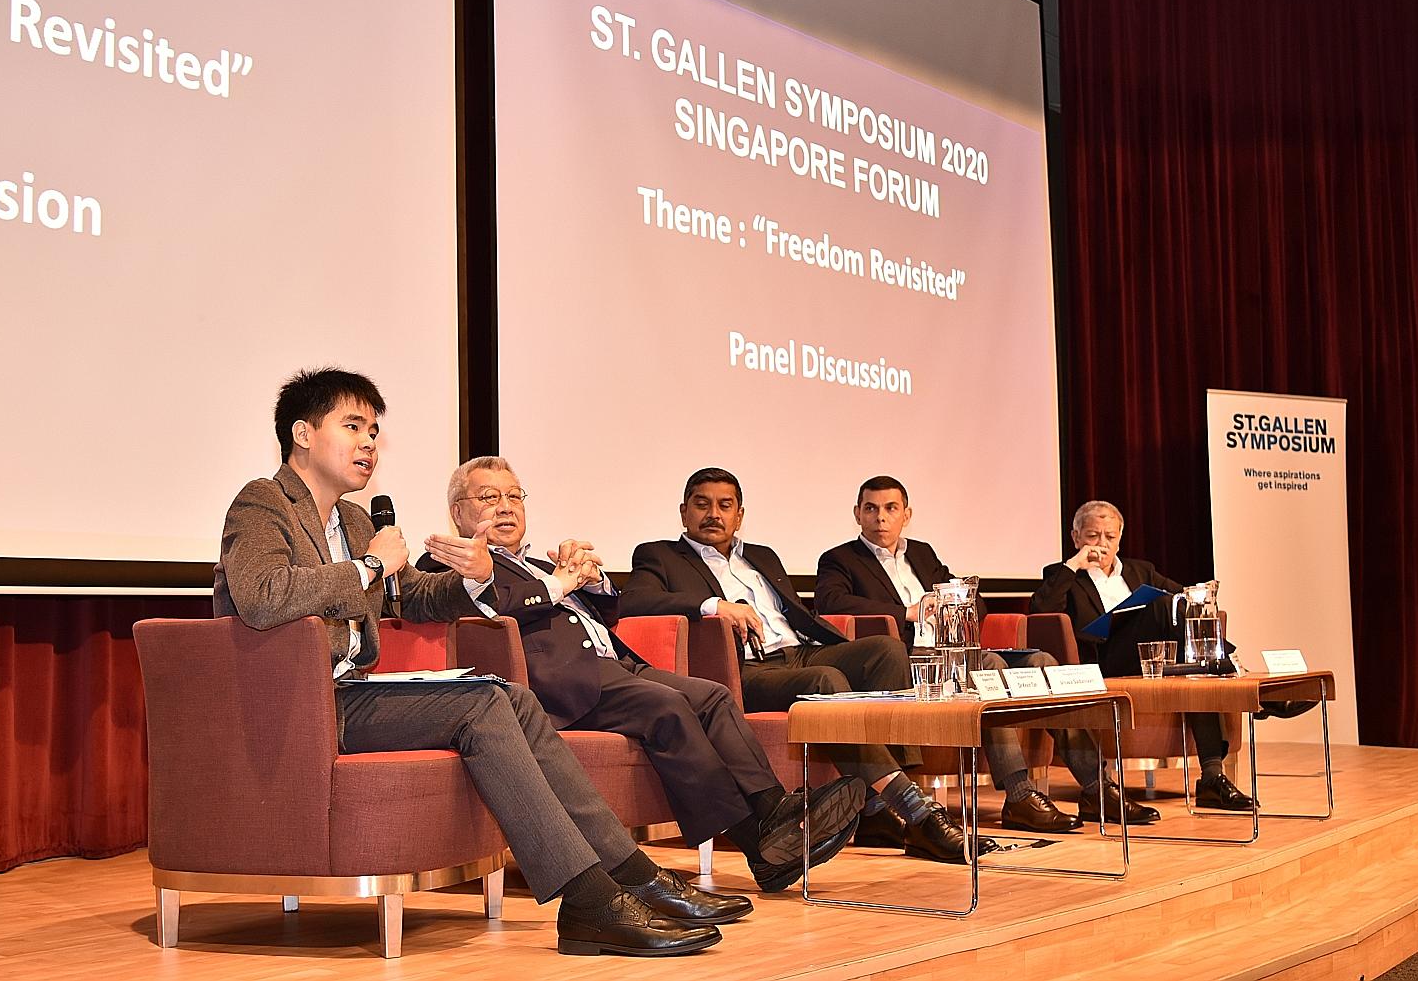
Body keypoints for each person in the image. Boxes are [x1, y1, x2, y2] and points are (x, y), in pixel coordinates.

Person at [214, 368, 734, 957]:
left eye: (375, 431)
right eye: (353, 426)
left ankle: (627, 875)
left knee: (511, 696)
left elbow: (415, 597)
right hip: (300, 705)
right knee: (484, 703)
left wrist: (477, 574)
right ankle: (589, 899)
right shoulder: (263, 501)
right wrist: (368, 569)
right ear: (304, 434)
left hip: (347, 693)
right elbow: (262, 596)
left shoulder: (357, 522)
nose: (369, 443)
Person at [417, 456, 864, 893]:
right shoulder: (451, 566)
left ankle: (773, 812)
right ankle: (759, 843)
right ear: (457, 511)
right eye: (489, 496)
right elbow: (488, 604)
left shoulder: (538, 562)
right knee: (666, 707)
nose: (506, 506)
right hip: (560, 682)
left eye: (515, 495)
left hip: (617, 665)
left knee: (712, 696)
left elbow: (611, 612)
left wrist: (593, 582)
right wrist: (560, 583)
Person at [622, 467, 1002, 864]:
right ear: (684, 512)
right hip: (747, 669)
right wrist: (715, 606)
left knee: (886, 651)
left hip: (801, 650)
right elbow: (633, 602)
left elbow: (797, 614)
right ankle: (915, 811)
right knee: (826, 680)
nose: (713, 514)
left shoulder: (762, 556)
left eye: (725, 505)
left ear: (740, 514)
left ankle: (875, 808)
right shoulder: (659, 555)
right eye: (702, 505)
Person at [813, 475, 1161, 835]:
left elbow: (971, 598)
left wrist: (957, 602)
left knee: (1043, 663)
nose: (881, 518)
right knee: (988, 668)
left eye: (890, 509)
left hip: (959, 654)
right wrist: (908, 611)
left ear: (907, 514)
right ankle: (1019, 794)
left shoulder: (922, 553)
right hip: (913, 661)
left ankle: (1097, 788)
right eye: (871, 509)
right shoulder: (840, 560)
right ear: (857, 514)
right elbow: (831, 603)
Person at [1028, 499, 1257, 811]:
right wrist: (1074, 565)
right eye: (1093, 536)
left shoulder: (1140, 570)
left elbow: (1182, 601)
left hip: (1153, 659)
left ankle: (1212, 778)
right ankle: (1230, 665)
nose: (1101, 545)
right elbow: (1040, 612)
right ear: (1076, 537)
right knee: (1164, 607)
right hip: (1104, 660)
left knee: (1192, 663)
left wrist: (1202, 593)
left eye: (1110, 536)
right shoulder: (1063, 575)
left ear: (1120, 537)